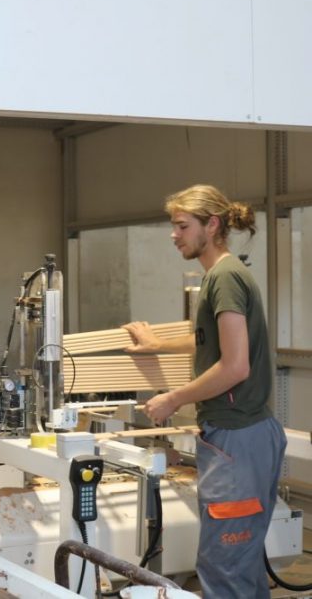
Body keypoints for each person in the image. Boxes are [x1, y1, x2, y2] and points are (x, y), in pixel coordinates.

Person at [123, 184, 286, 598]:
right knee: (241, 568)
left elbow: (235, 365)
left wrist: (173, 398)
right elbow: (210, 341)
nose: (173, 235)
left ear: (211, 226)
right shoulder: (223, 275)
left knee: (224, 570)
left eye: (182, 226)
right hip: (241, 436)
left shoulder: (225, 278)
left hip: (237, 438)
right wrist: (158, 345)